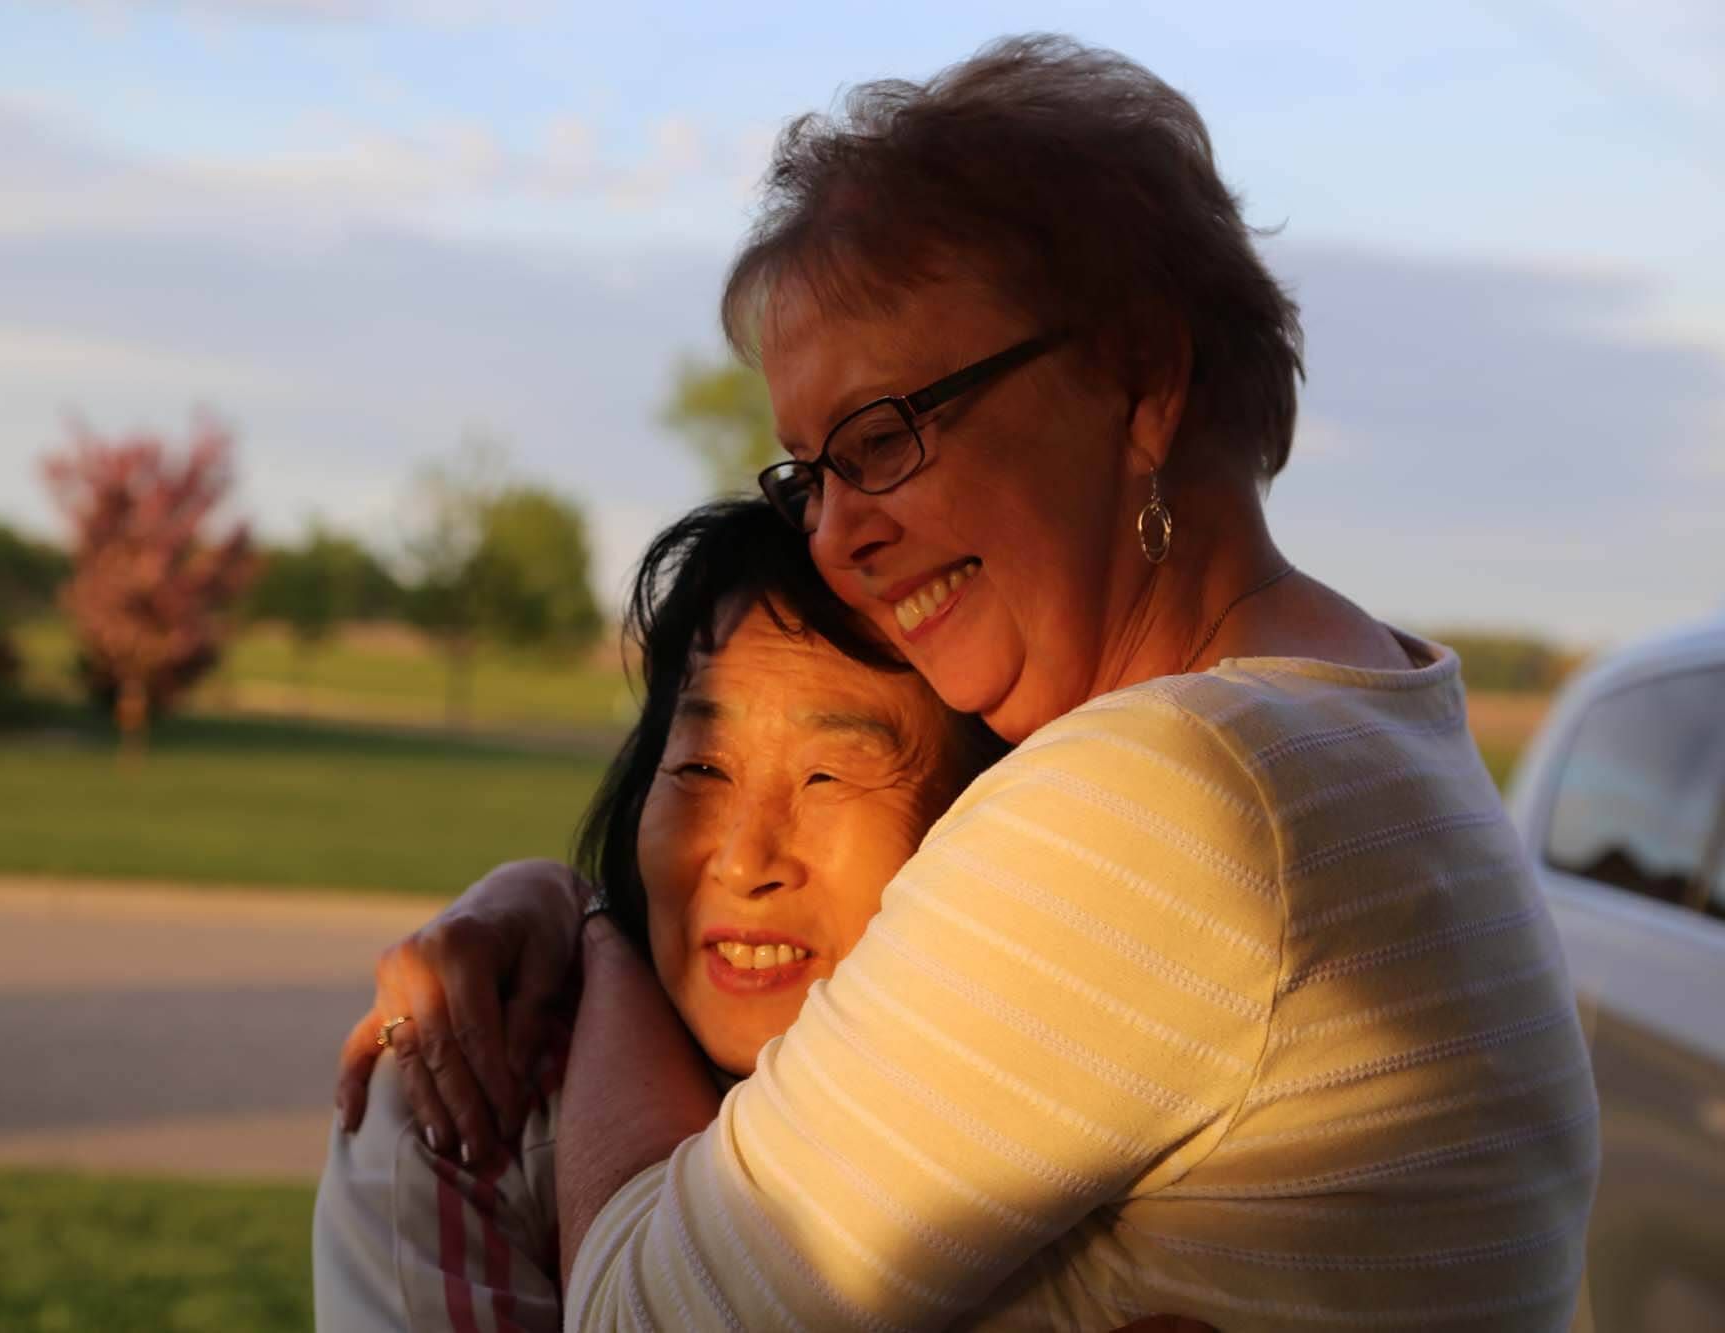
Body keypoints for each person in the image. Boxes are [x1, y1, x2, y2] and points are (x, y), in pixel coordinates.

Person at [340, 35, 1599, 1330]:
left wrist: (599, 933)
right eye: (809, 473)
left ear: (1140, 377)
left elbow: (640, 1317)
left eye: (884, 437)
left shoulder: (1172, 800)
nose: (835, 534)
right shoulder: (1372, 721)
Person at [313, 500, 1008, 1331]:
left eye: (827, 777)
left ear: (976, 821)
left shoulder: (1064, 1112)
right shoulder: (470, 1114)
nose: (745, 861)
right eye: (702, 768)